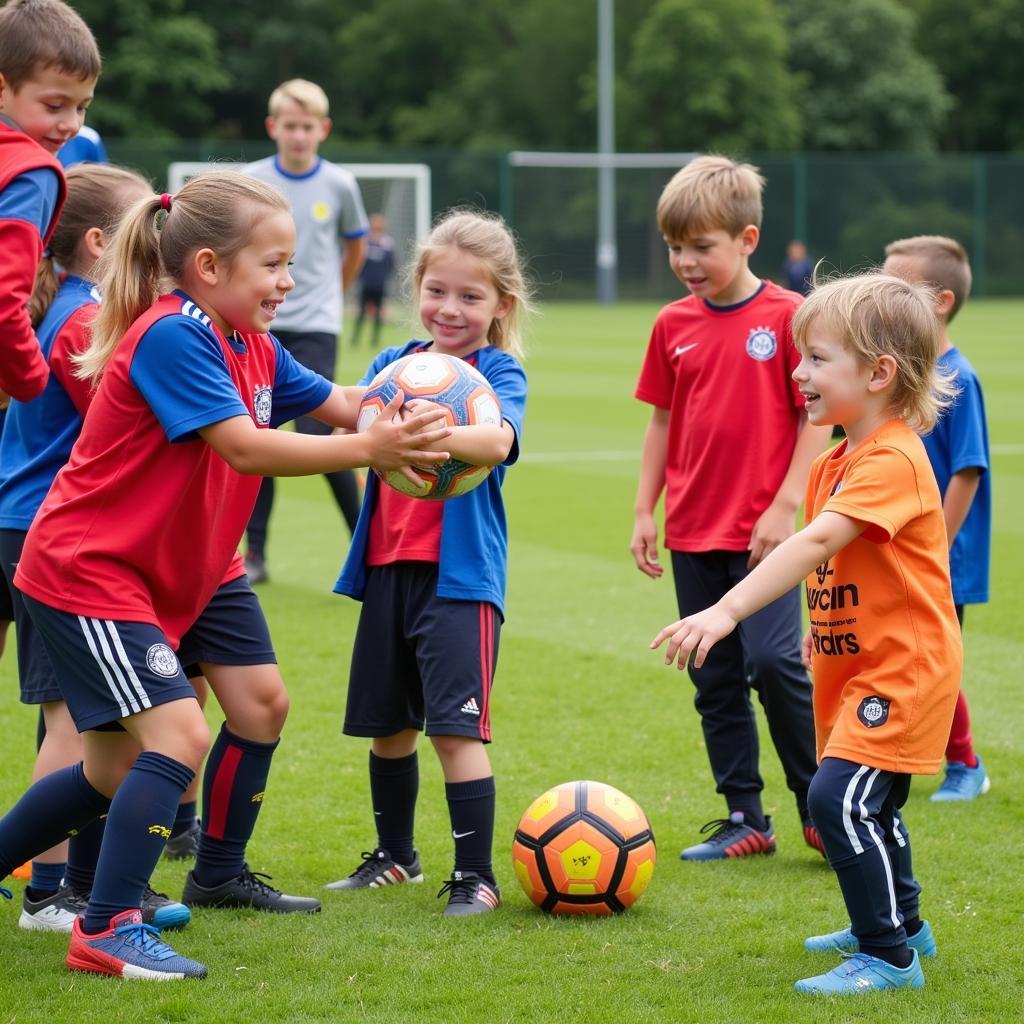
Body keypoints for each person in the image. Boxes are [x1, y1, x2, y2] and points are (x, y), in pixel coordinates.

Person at [0, 171, 452, 981]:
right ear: (208, 266)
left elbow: (345, 403)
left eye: (290, 265)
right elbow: (247, 445)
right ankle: (105, 927)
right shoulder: (176, 333)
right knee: (179, 735)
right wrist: (374, 451)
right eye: (273, 266)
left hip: (173, 573)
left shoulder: (254, 341)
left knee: (134, 756)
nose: (289, 282)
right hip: (90, 570)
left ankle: (191, 879)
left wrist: (424, 401)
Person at [653, 272, 961, 995]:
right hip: (856, 669)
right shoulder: (832, 460)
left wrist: (726, 610)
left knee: (836, 801)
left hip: (902, 670)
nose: (799, 372)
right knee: (872, 804)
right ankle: (902, 923)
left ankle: (888, 958)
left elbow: (817, 542)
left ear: (880, 373)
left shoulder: (891, 457)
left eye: (818, 359)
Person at [0, 163, 200, 934]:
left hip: (29, 522)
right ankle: (54, 894)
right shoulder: (89, 320)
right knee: (73, 726)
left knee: (102, 735)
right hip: (55, 535)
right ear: (101, 243)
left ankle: (76, 888)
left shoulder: (73, 309)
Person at [327, 210, 529, 917]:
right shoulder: (393, 366)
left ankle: (475, 876)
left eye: (471, 297)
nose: (450, 309)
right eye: (438, 291)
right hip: (388, 566)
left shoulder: (498, 372)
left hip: (459, 580)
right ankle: (395, 857)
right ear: (418, 287)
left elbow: (497, 441)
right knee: (389, 728)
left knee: (454, 728)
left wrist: (438, 426)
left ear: (502, 305)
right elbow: (348, 413)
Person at [630, 155, 831, 861]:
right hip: (691, 529)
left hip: (766, 535)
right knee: (713, 677)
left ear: (747, 239)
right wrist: (642, 512)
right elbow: (661, 421)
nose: (686, 261)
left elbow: (817, 418)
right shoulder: (671, 324)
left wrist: (785, 507)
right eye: (675, 247)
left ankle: (817, 805)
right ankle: (747, 817)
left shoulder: (786, 317)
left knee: (776, 663)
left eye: (701, 247)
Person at [242, 78, 369, 585]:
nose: (298, 135)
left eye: (307, 127)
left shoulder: (340, 186)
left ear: (324, 129)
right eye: (290, 126)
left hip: (315, 323)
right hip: (258, 321)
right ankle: (255, 556)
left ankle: (367, 547)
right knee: (258, 437)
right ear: (273, 127)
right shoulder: (253, 182)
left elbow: (354, 246)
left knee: (323, 431)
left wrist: (332, 295)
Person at [884, 235, 991, 802]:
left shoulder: (958, 378)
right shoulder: (909, 375)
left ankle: (966, 763)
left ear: (942, 302)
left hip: (944, 552)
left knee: (932, 659)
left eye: (901, 287)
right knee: (909, 654)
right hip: (909, 548)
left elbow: (967, 471)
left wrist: (937, 548)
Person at [0, 0, 99, 403]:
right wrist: (31, 380)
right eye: (55, 106)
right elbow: (4, 302)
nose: (72, 124)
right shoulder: (31, 172)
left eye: (82, 108)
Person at [352, 212, 396, 348]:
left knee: (378, 315)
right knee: (361, 313)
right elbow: (358, 262)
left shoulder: (387, 244)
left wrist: (385, 279)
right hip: (366, 284)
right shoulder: (365, 242)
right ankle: (355, 340)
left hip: (380, 285)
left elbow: (391, 265)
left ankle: (374, 340)